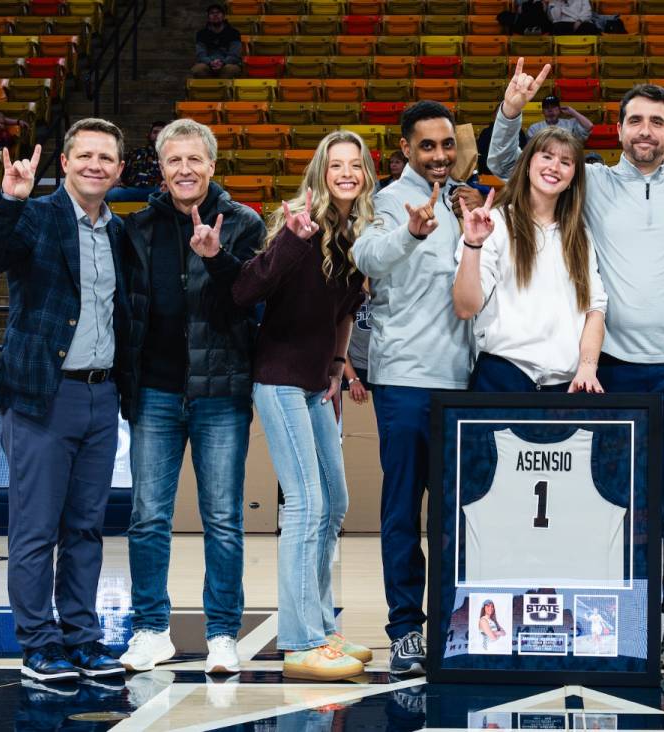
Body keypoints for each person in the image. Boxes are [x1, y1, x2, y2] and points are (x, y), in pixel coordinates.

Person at [489, 61, 664, 668]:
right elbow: (511, 167)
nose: (646, 130)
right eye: (635, 120)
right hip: (607, 365)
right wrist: (511, 109)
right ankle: (610, 612)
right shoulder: (590, 182)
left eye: (657, 122)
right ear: (617, 130)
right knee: (602, 498)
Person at [0, 119, 129, 682]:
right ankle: (39, 644)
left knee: (85, 527)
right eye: (85, 155)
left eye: (106, 158)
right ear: (65, 162)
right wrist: (9, 200)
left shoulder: (118, 233)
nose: (95, 165)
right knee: (35, 528)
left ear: (120, 170)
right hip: (41, 395)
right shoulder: (34, 216)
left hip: (101, 395)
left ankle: (82, 638)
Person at [115, 119, 264, 676]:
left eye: (194, 160)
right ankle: (151, 629)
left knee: (222, 519)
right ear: (161, 167)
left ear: (212, 165)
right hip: (153, 389)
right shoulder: (137, 228)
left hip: (220, 392)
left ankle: (223, 633)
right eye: (173, 160)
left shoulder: (243, 223)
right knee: (148, 516)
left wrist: (215, 257)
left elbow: (250, 299)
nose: (184, 170)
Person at [232, 131, 372, 680]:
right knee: (308, 505)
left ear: (364, 175)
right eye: (335, 164)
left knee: (334, 502)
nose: (345, 173)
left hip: (317, 385)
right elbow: (246, 292)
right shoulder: (298, 226)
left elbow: (345, 311)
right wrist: (289, 239)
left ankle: (321, 626)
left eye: (354, 165)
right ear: (320, 171)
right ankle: (299, 642)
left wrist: (338, 367)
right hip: (279, 380)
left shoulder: (356, 234)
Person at [354, 101, 471, 675]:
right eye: (427, 146)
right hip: (402, 379)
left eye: (447, 144)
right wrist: (409, 230)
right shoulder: (386, 202)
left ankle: (451, 625)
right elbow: (367, 255)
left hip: (461, 384)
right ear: (405, 148)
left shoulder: (465, 200)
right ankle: (404, 629)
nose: (440, 156)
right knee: (403, 509)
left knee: (452, 516)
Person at [452, 127, 606, 393]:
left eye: (566, 162)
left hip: (564, 385)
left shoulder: (581, 236)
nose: (555, 166)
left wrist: (588, 366)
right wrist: (472, 245)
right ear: (527, 165)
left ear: (572, 178)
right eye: (546, 156)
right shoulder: (495, 223)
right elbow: (466, 308)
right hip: (501, 376)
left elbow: (595, 309)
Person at [107, 121, 166, 203]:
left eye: (162, 133)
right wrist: (118, 178)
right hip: (132, 190)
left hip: (157, 190)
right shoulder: (135, 152)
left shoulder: (170, 155)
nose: (158, 135)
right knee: (112, 194)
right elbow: (122, 171)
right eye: (155, 132)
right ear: (149, 135)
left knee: (168, 194)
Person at [191, 4, 242, 79]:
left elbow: (234, 54)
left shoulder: (234, 33)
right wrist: (210, 62)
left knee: (231, 69)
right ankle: (209, 89)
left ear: (223, 16)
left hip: (227, 64)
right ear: (208, 18)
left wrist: (223, 62)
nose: (215, 15)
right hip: (208, 64)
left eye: (218, 12)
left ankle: (222, 90)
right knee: (198, 69)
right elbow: (201, 54)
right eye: (212, 13)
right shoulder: (201, 34)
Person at [526, 96, 594, 143]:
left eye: (553, 107)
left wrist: (573, 112)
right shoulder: (535, 128)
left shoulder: (570, 123)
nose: (550, 109)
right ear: (542, 111)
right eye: (547, 107)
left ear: (559, 109)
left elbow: (589, 126)